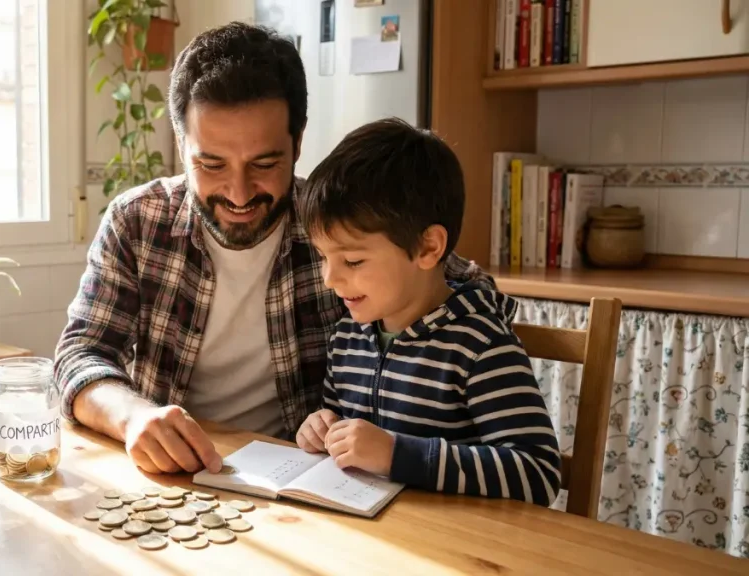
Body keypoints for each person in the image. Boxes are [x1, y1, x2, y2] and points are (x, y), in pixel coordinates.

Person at [54, 22, 494, 476]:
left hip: (303, 482)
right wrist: (133, 417)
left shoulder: (335, 226)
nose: (240, 193)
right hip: (175, 479)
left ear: (298, 143)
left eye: (264, 164)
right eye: (211, 164)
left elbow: (467, 286)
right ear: (180, 144)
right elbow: (79, 354)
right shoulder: (136, 222)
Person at [294, 118, 561, 506]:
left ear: (428, 248)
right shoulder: (348, 336)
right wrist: (321, 428)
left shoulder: (480, 346)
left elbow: (537, 473)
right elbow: (343, 428)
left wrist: (396, 455)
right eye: (323, 258)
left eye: (351, 261)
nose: (329, 279)